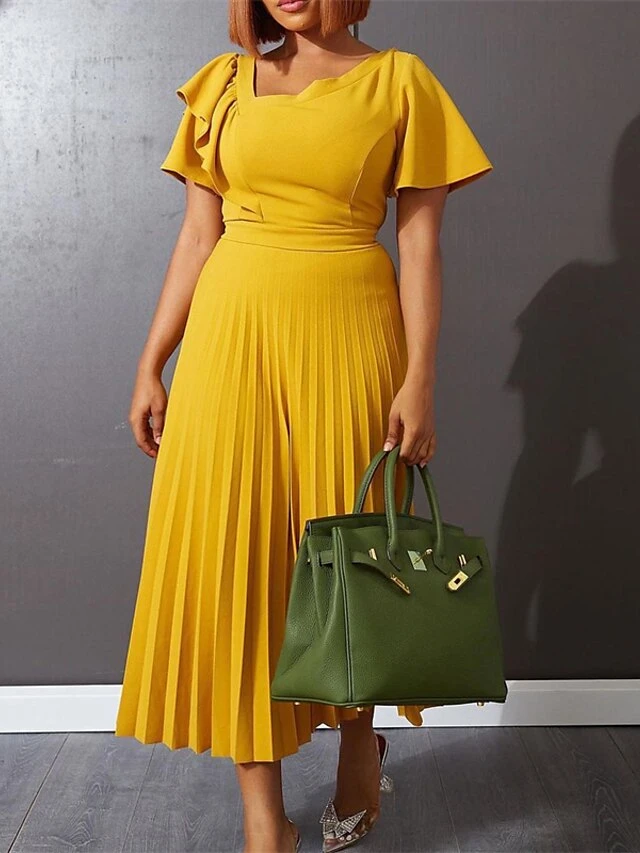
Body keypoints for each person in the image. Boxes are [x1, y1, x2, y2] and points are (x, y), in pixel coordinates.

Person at [114, 0, 493, 850]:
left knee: (355, 552)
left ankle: (360, 742)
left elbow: (420, 246)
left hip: (350, 331)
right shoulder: (221, 85)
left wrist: (421, 377)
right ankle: (264, 820)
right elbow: (197, 237)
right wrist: (151, 361)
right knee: (235, 560)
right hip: (230, 338)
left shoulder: (401, 83)